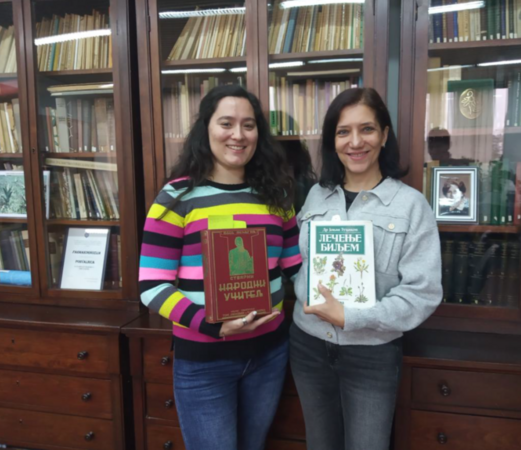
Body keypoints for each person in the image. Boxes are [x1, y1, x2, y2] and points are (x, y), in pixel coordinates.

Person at [138, 85, 301, 450]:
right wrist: (212, 324)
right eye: (226, 123)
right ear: (206, 128)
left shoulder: (276, 195)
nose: (238, 135)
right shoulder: (176, 198)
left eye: (248, 125)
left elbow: (294, 267)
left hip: (270, 354)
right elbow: (151, 285)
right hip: (204, 362)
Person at [290, 87, 442, 450]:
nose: (355, 142)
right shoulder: (315, 197)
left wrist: (352, 316)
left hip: (371, 353)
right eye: (343, 132)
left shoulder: (410, 206)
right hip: (308, 346)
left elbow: (422, 292)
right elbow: (298, 265)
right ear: (333, 140)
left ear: (385, 135)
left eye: (367, 129)